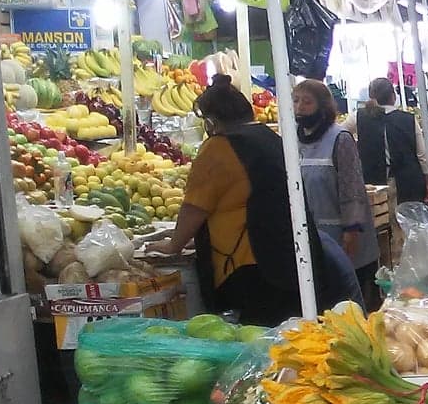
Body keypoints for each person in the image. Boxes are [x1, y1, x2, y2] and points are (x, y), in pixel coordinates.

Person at [142, 79, 358, 326]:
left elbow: (195, 207)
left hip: (252, 264)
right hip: (292, 259)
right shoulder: (269, 137)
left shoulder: (219, 148)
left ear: (211, 121)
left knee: (262, 338)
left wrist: (173, 245)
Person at [292, 78, 380, 307]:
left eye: (307, 102)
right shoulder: (292, 140)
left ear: (322, 106)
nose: (300, 107)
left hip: (343, 236)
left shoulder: (339, 138)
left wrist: (351, 230)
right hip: (312, 236)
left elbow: (351, 187)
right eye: (296, 101)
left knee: (348, 302)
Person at [356, 77, 428, 205]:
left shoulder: (359, 117)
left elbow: (341, 132)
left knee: (381, 221)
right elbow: (422, 155)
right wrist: (427, 181)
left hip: (374, 181)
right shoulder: (409, 119)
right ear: (393, 96)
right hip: (407, 181)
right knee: (406, 221)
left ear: (370, 96)